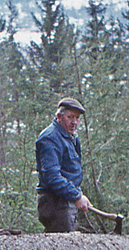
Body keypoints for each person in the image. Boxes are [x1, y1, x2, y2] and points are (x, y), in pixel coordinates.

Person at [35, 97, 92, 232]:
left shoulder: (71, 137)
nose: (74, 122)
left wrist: (77, 194)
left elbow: (71, 171)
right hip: (55, 204)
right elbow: (52, 177)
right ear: (59, 117)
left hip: (66, 201)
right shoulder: (49, 138)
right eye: (70, 117)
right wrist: (76, 196)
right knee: (62, 249)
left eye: (77, 118)